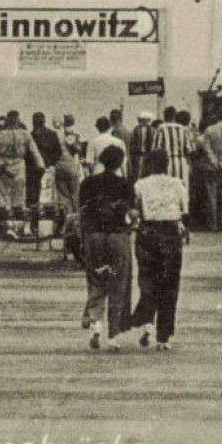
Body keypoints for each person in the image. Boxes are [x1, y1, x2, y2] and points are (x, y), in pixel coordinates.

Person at [128, 148, 188, 350]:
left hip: (148, 232)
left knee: (147, 278)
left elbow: (135, 210)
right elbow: (184, 210)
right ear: (167, 164)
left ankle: (145, 320)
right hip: (170, 232)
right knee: (170, 284)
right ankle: (164, 337)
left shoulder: (140, 185)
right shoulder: (177, 183)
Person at [78, 145, 136, 351]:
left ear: (101, 160)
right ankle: (113, 335)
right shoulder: (125, 184)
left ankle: (96, 324)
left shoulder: (88, 183)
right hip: (117, 237)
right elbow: (132, 214)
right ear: (120, 162)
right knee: (117, 284)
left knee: (96, 280)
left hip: (94, 236)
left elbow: (82, 212)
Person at [0, 112, 42, 232]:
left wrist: (2, 166)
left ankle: (6, 225)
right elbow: (35, 153)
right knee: (19, 195)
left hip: (4, 167)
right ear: (17, 120)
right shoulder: (25, 134)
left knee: (4, 196)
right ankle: (19, 226)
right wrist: (41, 166)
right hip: (19, 165)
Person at [152, 108, 198, 189]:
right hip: (181, 162)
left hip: (166, 163)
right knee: (182, 188)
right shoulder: (184, 129)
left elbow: (155, 149)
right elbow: (190, 149)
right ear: (175, 116)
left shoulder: (160, 129)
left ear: (164, 116)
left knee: (167, 189)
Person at [30, 112, 66, 206]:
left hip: (35, 168)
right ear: (44, 122)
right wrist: (51, 162)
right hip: (49, 167)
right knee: (49, 193)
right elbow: (58, 152)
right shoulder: (52, 134)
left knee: (36, 194)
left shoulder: (31, 135)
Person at [126, 111, 157, 180]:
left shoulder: (134, 130)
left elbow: (131, 144)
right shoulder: (153, 130)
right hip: (149, 158)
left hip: (137, 157)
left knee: (137, 177)